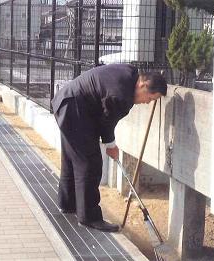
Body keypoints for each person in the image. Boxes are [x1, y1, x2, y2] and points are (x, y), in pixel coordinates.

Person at [51, 64, 167, 232]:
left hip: (69, 103)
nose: (147, 103)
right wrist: (111, 145)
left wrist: (108, 141)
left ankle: (67, 203)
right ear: (143, 85)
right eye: (150, 98)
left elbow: (104, 116)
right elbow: (107, 122)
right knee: (90, 164)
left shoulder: (130, 74)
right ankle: (89, 217)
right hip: (74, 109)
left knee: (72, 158)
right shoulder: (122, 95)